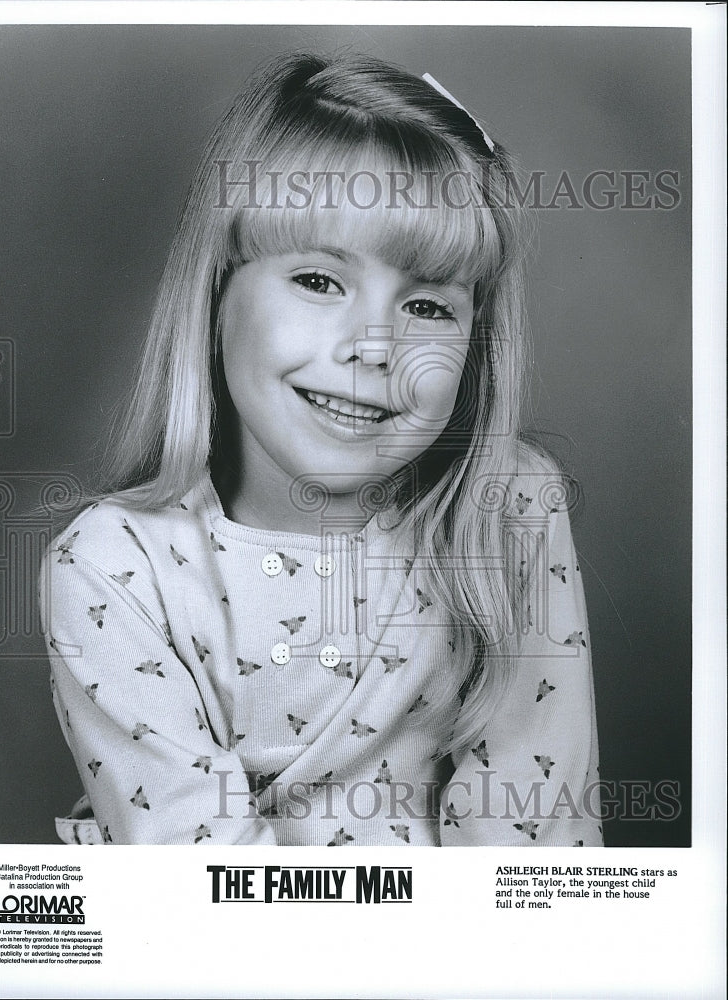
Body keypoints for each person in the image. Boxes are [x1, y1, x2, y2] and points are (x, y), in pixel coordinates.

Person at [40, 52, 602, 847]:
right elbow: (199, 886)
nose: (375, 348)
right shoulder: (111, 563)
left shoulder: (506, 511)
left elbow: (535, 848)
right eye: (318, 281)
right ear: (216, 295)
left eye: (427, 306)